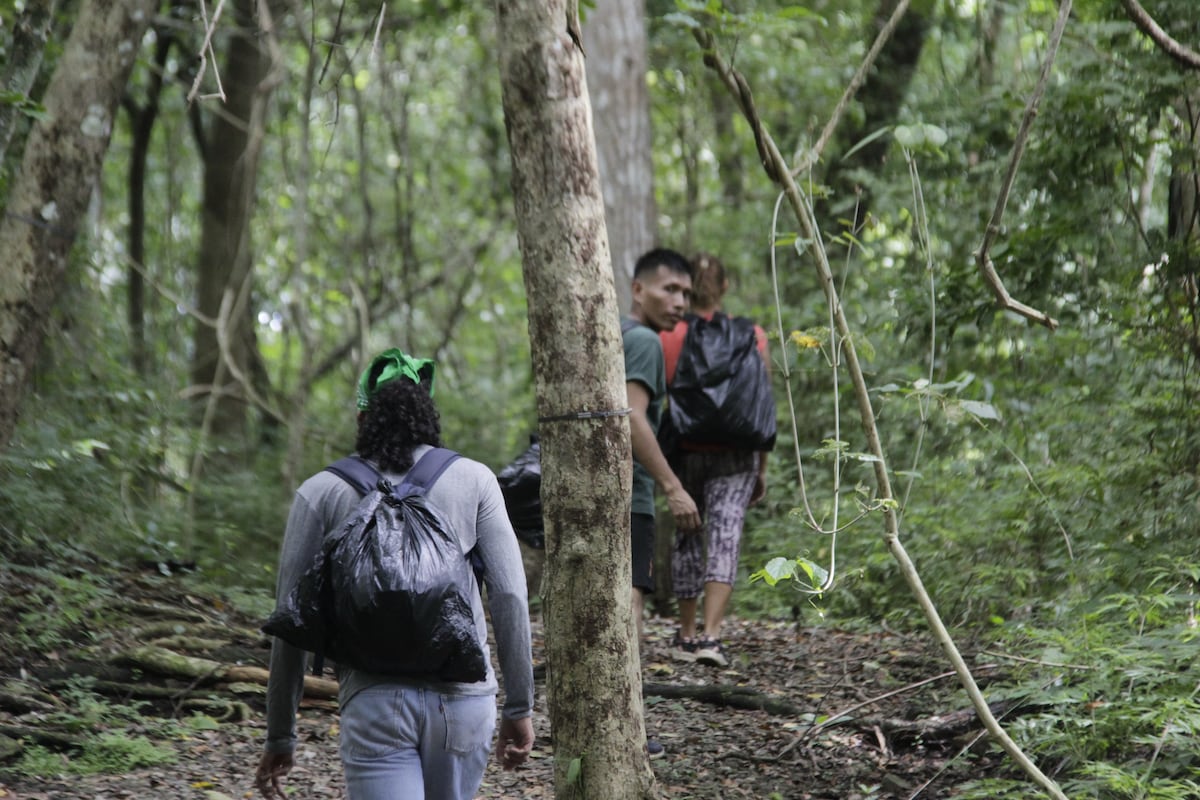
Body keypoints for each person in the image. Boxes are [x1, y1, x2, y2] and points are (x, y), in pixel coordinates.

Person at [255, 349, 535, 800]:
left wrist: (280, 736)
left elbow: (291, 620)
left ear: (363, 417)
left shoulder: (320, 491)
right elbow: (510, 596)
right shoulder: (475, 480)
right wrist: (519, 705)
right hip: (463, 702)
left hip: (373, 701)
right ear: (428, 412)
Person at [660, 253, 771, 668]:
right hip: (737, 457)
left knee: (687, 536)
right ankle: (712, 637)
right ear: (725, 287)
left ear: (689, 286)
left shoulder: (669, 335)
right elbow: (761, 405)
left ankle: (686, 636)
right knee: (726, 535)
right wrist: (762, 468)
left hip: (684, 453)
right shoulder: (754, 336)